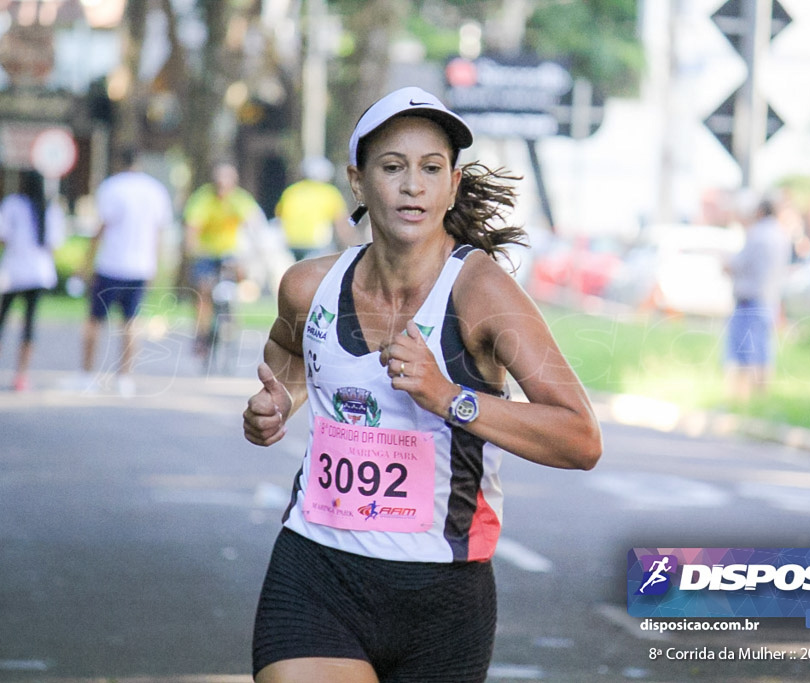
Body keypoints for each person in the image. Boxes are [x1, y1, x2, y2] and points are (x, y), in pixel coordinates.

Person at [241, 86, 603, 683]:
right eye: (393, 168)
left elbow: (580, 437)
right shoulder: (308, 286)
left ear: (452, 185)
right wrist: (278, 402)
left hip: (442, 591)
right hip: (317, 566)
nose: (414, 185)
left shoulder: (481, 294)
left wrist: (448, 396)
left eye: (432, 169)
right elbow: (289, 351)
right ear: (358, 183)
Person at [76, 149, 173, 396]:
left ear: (119, 162)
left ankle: (87, 374)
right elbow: (159, 232)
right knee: (131, 322)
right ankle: (124, 377)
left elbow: (101, 227)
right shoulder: (156, 190)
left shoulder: (111, 187)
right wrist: (156, 264)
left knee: (94, 321)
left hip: (111, 264)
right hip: (140, 266)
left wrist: (85, 263)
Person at [0, 170, 65, 392]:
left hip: (13, 273)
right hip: (39, 273)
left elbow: (1, 238)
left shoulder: (13, 204)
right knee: (29, 325)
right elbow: (55, 244)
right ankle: (21, 376)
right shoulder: (51, 208)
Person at [182, 162, 264, 356]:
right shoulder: (202, 198)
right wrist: (191, 247)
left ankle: (233, 307)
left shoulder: (239, 199)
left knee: (239, 271)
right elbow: (192, 229)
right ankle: (201, 334)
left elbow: (254, 224)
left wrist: (257, 249)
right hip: (206, 251)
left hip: (230, 252)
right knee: (203, 290)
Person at [723, 189, 792, 401]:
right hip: (770, 299)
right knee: (763, 350)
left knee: (742, 352)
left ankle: (740, 397)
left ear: (760, 211)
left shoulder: (757, 234)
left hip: (748, 299)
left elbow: (738, 264)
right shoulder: (782, 235)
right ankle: (762, 396)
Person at [275, 156, 358, 261]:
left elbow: (279, 216)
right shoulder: (329, 192)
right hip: (317, 244)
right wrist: (353, 243)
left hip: (290, 243)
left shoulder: (291, 191)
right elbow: (342, 224)